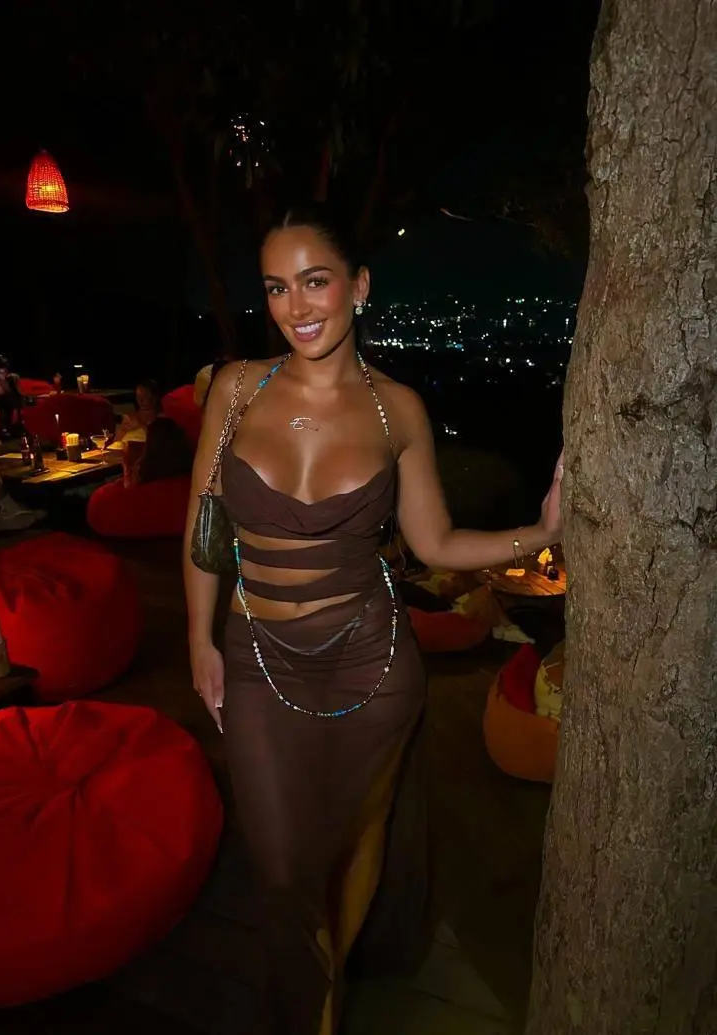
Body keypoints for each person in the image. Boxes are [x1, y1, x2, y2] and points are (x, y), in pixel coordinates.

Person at [183, 202, 564, 1035]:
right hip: (257, 656)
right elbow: (202, 528)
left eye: (314, 281)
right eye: (277, 287)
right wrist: (198, 640)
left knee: (359, 833)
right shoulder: (236, 388)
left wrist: (538, 533)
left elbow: (434, 541)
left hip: (371, 666)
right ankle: (315, 993)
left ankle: (321, 1009)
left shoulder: (399, 411)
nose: (296, 306)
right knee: (282, 870)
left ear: (358, 286)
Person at [0, 354, 25, 438]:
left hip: (9, 399)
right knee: (7, 401)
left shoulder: (10, 377)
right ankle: (6, 428)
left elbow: (12, 390)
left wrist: (7, 381)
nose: (3, 371)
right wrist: (1, 380)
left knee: (13, 399)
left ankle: (17, 427)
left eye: (4, 368)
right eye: (0, 368)